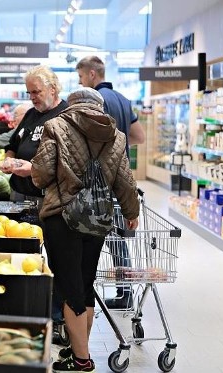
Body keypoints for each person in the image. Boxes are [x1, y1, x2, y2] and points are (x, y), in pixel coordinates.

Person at [31, 87, 140, 372]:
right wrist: (131, 213)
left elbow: (41, 175)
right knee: (85, 284)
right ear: (99, 107)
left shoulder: (55, 126)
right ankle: (77, 349)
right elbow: (125, 182)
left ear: (72, 103)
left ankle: (82, 360)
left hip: (61, 218)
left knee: (70, 290)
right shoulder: (116, 136)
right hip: (98, 218)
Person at [76, 55, 145, 308]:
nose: (81, 81)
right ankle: (124, 292)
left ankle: (83, 294)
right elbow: (139, 136)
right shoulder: (125, 101)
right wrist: (120, 144)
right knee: (118, 238)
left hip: (95, 182)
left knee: (89, 238)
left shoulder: (92, 101)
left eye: (81, 76)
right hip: (120, 179)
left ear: (92, 74)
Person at [0, 65, 68, 205]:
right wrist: (9, 160)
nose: (32, 97)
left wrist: (33, 170)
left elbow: (70, 162)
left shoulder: (66, 116)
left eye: (36, 92)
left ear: (52, 89)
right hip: (19, 194)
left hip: (48, 199)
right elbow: (12, 146)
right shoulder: (31, 114)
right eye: (29, 93)